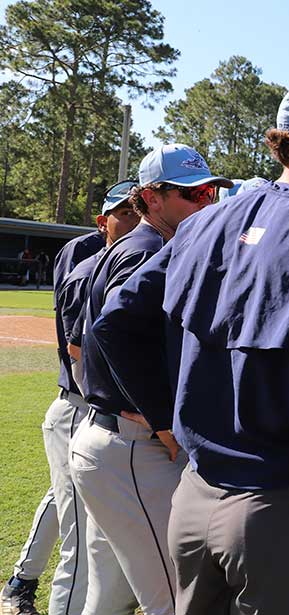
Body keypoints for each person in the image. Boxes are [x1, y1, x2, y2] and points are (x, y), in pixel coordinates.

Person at [90, 78, 289, 614]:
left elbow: (114, 321)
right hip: (284, 507)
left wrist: (164, 420)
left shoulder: (205, 221)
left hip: (194, 496)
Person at [70, 144, 230, 615]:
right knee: (177, 599)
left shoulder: (135, 246)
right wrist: (162, 420)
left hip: (113, 443)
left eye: (210, 193)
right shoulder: (151, 249)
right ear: (151, 198)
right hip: (136, 447)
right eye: (192, 193)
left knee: (110, 596)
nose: (206, 203)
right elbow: (110, 330)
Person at [0, 186, 134, 615]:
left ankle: (20, 580)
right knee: (80, 537)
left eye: (138, 207)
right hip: (82, 409)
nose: (133, 218)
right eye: (123, 212)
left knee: (63, 501)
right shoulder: (86, 253)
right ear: (104, 220)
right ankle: (32, 589)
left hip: (91, 413)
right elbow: (77, 344)